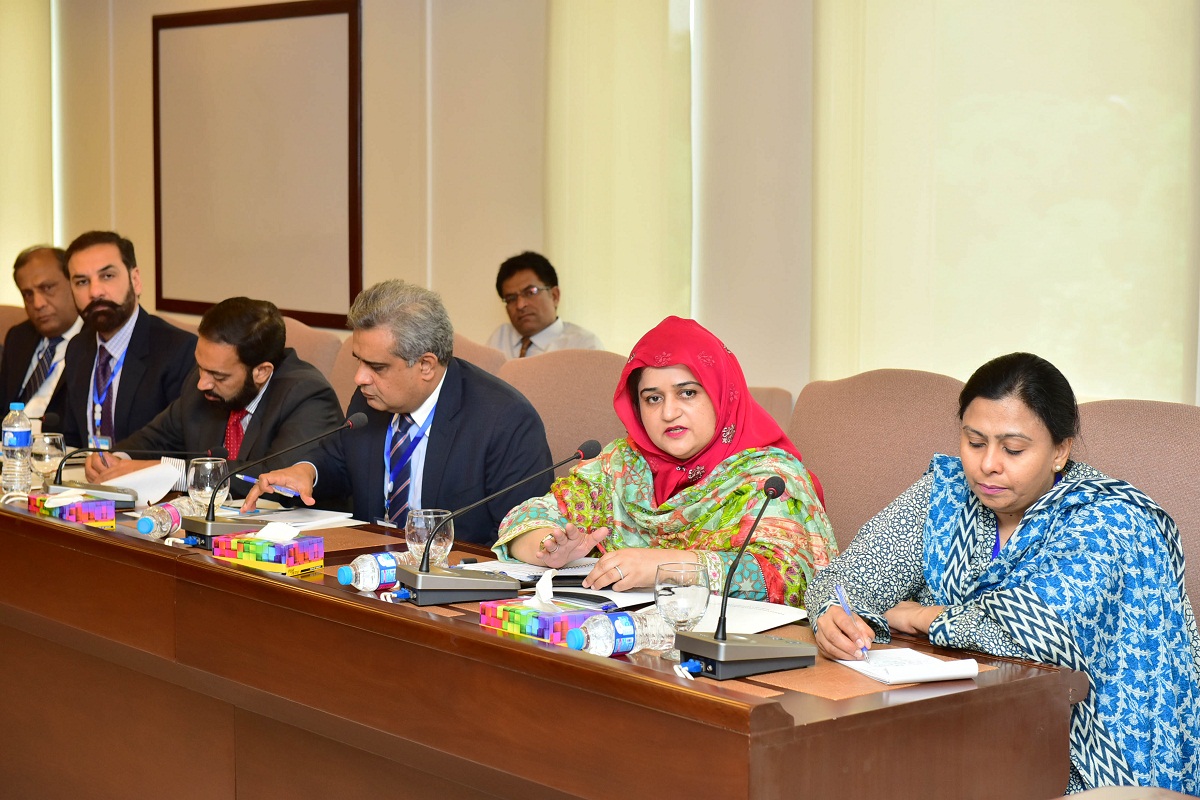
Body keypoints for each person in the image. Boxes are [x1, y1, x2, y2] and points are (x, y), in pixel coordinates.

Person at [805, 352, 1199, 794]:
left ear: (1060, 451)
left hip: (1073, 749)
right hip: (948, 717)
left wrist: (919, 616)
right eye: (975, 442)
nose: (988, 464)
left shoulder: (1110, 520)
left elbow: (1032, 634)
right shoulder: (947, 493)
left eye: (1013, 449)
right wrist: (832, 614)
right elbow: (849, 577)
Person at [493, 316, 834, 606]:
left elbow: (788, 580)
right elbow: (526, 517)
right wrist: (549, 547)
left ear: (721, 393)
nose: (669, 413)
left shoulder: (773, 480)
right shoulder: (620, 465)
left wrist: (664, 567)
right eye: (653, 398)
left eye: (688, 393)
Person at [242, 279, 553, 544]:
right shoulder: (371, 400)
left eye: (377, 367)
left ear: (426, 365)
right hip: (369, 568)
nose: (360, 378)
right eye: (358, 361)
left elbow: (520, 535)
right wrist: (307, 470)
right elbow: (339, 459)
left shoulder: (505, 422)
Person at [82, 297, 343, 497]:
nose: (202, 383)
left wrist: (164, 473)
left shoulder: (306, 395)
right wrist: (115, 460)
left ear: (262, 372)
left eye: (219, 376)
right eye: (201, 367)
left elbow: (271, 477)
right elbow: (153, 439)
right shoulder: (202, 385)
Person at [48, 231, 197, 447]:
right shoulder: (78, 348)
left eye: (107, 276)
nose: (95, 292)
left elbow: (181, 447)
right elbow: (71, 439)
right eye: (82, 282)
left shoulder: (178, 351)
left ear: (135, 280)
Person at [0, 245, 82, 420]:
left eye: (47, 288)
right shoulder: (19, 337)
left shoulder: (95, 340)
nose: (38, 304)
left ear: (73, 282)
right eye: (28, 294)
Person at [485, 251, 603, 358]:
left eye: (530, 292)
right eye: (511, 298)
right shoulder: (500, 338)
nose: (520, 305)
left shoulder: (583, 345)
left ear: (554, 296)